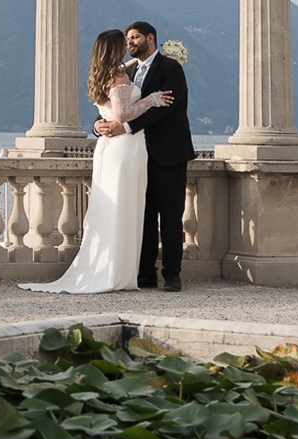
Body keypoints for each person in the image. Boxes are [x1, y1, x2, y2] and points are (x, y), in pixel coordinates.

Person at [23, 28, 171, 296]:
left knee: (113, 206)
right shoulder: (118, 77)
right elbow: (123, 114)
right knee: (125, 207)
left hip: (109, 148)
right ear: (115, 48)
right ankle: (118, 273)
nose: (128, 45)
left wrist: (159, 56)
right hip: (125, 147)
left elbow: (119, 94)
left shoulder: (104, 73)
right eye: (123, 43)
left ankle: (115, 269)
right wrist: (151, 100)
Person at [94, 19, 193, 291]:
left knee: (171, 215)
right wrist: (98, 125)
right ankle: (145, 272)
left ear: (151, 38)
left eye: (135, 37)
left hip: (168, 153)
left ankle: (172, 274)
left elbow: (167, 109)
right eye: (128, 39)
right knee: (142, 214)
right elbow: (113, 106)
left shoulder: (171, 68)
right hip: (135, 155)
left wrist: (126, 127)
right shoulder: (126, 70)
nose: (130, 42)